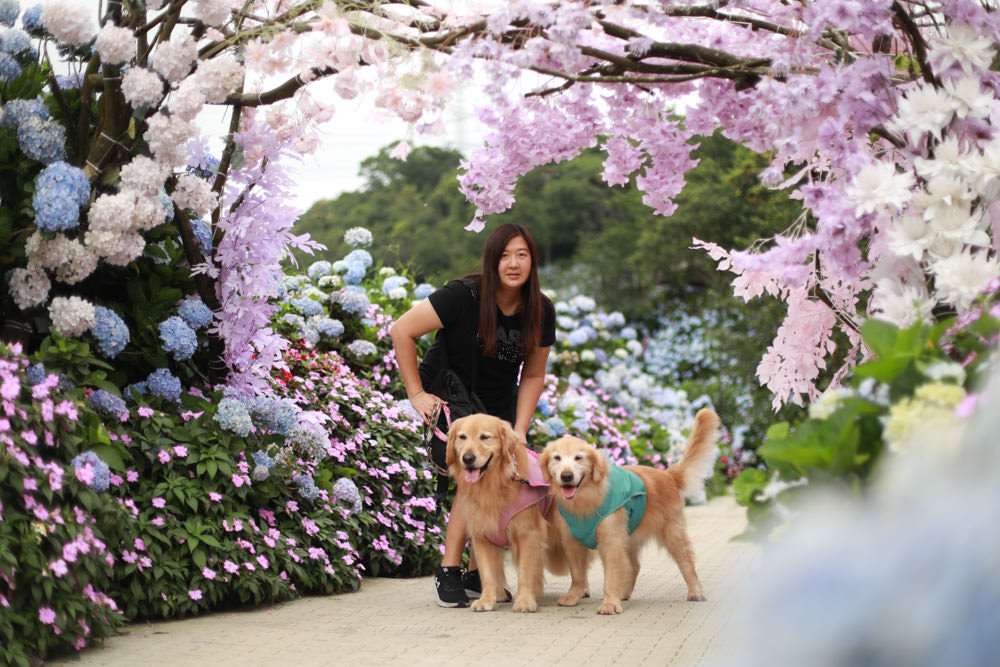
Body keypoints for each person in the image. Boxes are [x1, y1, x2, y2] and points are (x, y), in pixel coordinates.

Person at [390, 223, 556, 608]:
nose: (513, 264)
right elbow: (402, 331)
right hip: (450, 399)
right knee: (471, 479)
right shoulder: (462, 296)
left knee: (502, 483)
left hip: (497, 408)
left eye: (522, 255)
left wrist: (519, 429)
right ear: (491, 260)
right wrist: (416, 394)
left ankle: (477, 574)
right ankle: (449, 571)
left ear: (533, 260)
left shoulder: (540, 310)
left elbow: (532, 373)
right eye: (504, 255)